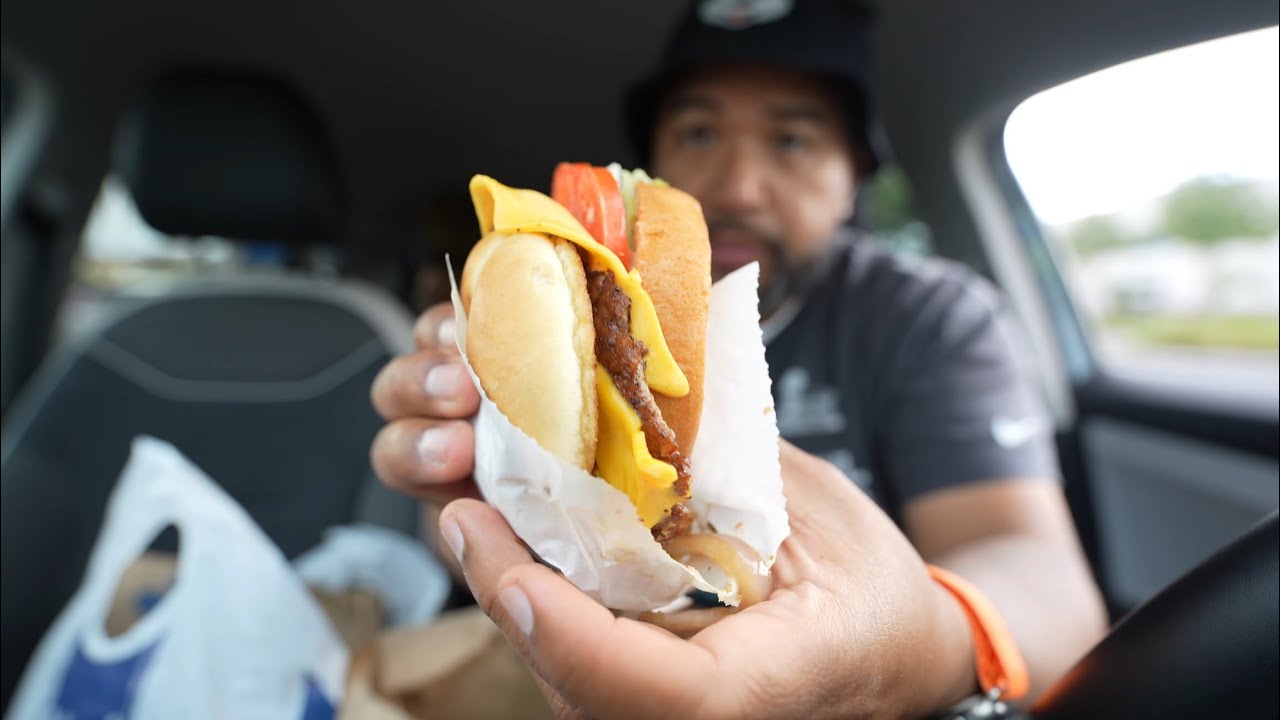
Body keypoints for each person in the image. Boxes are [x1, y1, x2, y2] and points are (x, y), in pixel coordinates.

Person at [370, 0, 1108, 716]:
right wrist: (488, 493)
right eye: (697, 133)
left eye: (791, 141)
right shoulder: (568, 308)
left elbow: (1043, 582)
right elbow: (469, 570)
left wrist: (926, 646)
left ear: (853, 173)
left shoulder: (929, 316)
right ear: (653, 155)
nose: (737, 187)